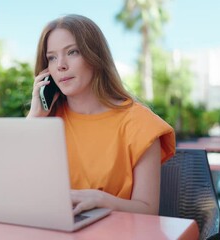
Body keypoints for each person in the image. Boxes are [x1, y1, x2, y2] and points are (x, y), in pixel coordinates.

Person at [27, 14, 175, 215]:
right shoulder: (44, 121)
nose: (60, 65)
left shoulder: (140, 123)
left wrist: (102, 200)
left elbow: (147, 211)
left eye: (72, 52)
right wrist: (34, 118)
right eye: (52, 57)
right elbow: (13, 188)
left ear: (95, 57)